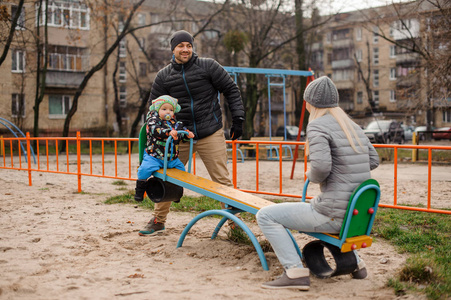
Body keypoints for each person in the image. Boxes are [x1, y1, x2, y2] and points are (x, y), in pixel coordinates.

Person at [256, 76, 380, 290]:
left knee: (266, 215)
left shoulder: (318, 126)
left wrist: (310, 174)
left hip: (332, 214)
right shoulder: (352, 126)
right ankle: (357, 264)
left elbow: (321, 168)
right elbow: (374, 160)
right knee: (320, 205)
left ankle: (294, 272)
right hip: (353, 215)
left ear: (310, 102)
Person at [139, 30, 245, 236]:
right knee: (168, 177)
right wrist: (154, 135)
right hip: (179, 136)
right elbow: (153, 109)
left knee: (221, 179)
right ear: (173, 49)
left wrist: (238, 118)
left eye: (188, 45)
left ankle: (234, 223)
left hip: (210, 131)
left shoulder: (209, 66)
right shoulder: (164, 76)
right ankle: (158, 220)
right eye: (181, 46)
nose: (185, 49)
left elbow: (231, 89)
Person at [134, 95, 194, 206]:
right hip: (154, 156)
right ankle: (140, 191)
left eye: (171, 110)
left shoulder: (175, 123)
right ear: (158, 109)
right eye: (164, 109)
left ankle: (176, 192)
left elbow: (182, 131)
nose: (168, 112)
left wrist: (187, 134)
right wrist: (167, 132)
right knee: (144, 170)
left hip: (171, 158)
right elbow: (155, 130)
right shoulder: (153, 121)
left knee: (181, 172)